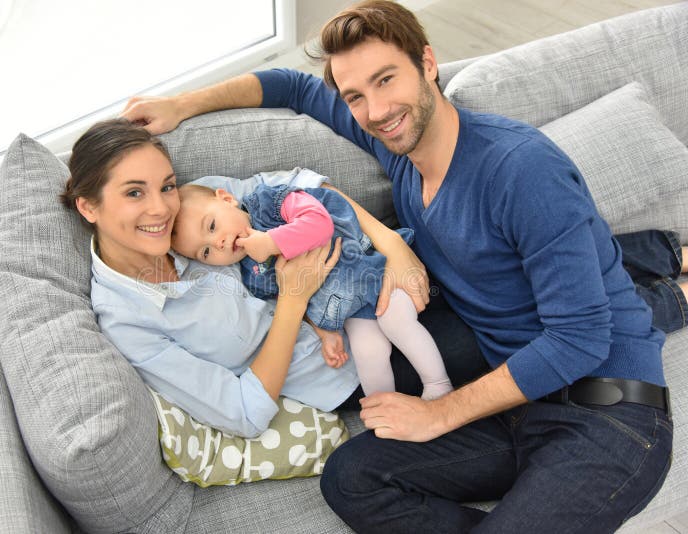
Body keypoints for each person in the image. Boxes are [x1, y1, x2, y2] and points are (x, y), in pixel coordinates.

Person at [120, 1, 674, 531]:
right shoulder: (399, 147)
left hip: (606, 414)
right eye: (356, 95)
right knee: (352, 478)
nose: (376, 111)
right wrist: (181, 105)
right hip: (516, 409)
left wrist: (440, 414)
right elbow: (293, 86)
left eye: (387, 80)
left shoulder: (521, 169)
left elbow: (578, 339)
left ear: (427, 64)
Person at [59, 118, 482, 440]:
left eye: (165, 186)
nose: (161, 209)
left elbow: (303, 187)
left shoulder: (196, 205)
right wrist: (297, 299)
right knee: (496, 338)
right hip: (352, 366)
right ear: (88, 207)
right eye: (134, 193)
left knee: (483, 263)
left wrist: (393, 245)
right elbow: (244, 413)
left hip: (369, 271)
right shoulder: (128, 321)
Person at [172, 180, 453, 399]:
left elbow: (319, 222)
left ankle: (438, 385)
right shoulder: (252, 275)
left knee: (395, 322)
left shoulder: (268, 203)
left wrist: (271, 242)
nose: (218, 243)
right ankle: (387, 408)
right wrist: (325, 332)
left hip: (376, 270)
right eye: (206, 252)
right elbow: (292, 298)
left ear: (227, 198)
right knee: (367, 351)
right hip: (349, 308)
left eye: (211, 226)